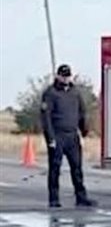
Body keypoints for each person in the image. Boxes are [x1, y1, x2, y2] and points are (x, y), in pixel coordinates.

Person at [40, 64, 96, 208]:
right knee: (55, 168)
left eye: (68, 76)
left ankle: (81, 197)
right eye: (63, 76)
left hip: (72, 136)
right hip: (58, 135)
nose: (66, 79)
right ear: (58, 76)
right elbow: (46, 118)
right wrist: (50, 138)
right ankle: (54, 199)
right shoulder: (51, 93)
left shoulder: (75, 92)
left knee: (77, 168)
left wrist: (84, 130)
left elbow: (82, 112)